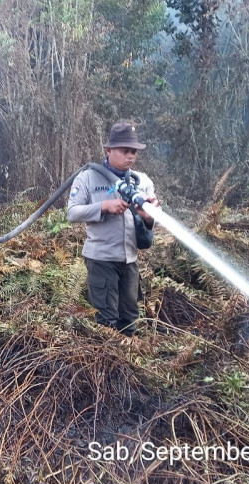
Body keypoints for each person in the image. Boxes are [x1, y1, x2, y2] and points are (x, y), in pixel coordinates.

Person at [67, 122, 161, 337]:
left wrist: (148, 216)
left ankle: (127, 359)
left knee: (129, 318)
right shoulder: (89, 178)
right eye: (124, 151)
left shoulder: (143, 181)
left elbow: (154, 217)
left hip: (129, 261)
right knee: (106, 321)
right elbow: (72, 213)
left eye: (133, 151)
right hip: (101, 259)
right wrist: (103, 207)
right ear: (108, 150)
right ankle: (106, 363)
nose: (130, 156)